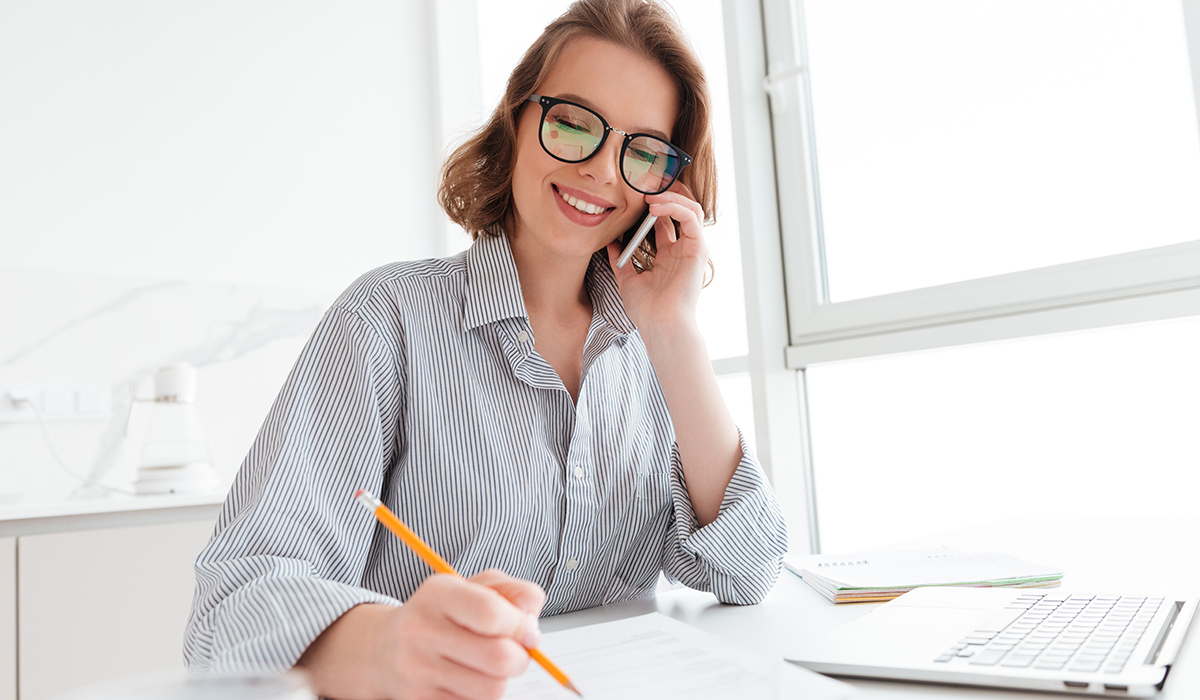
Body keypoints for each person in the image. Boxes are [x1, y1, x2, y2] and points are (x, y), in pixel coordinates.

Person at [183, 1, 788, 698]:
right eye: (572, 122)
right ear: (517, 120)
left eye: (643, 151)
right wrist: (389, 644)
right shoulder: (387, 320)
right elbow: (227, 614)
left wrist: (676, 336)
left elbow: (748, 571)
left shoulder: (654, 345)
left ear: (667, 183)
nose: (600, 170)